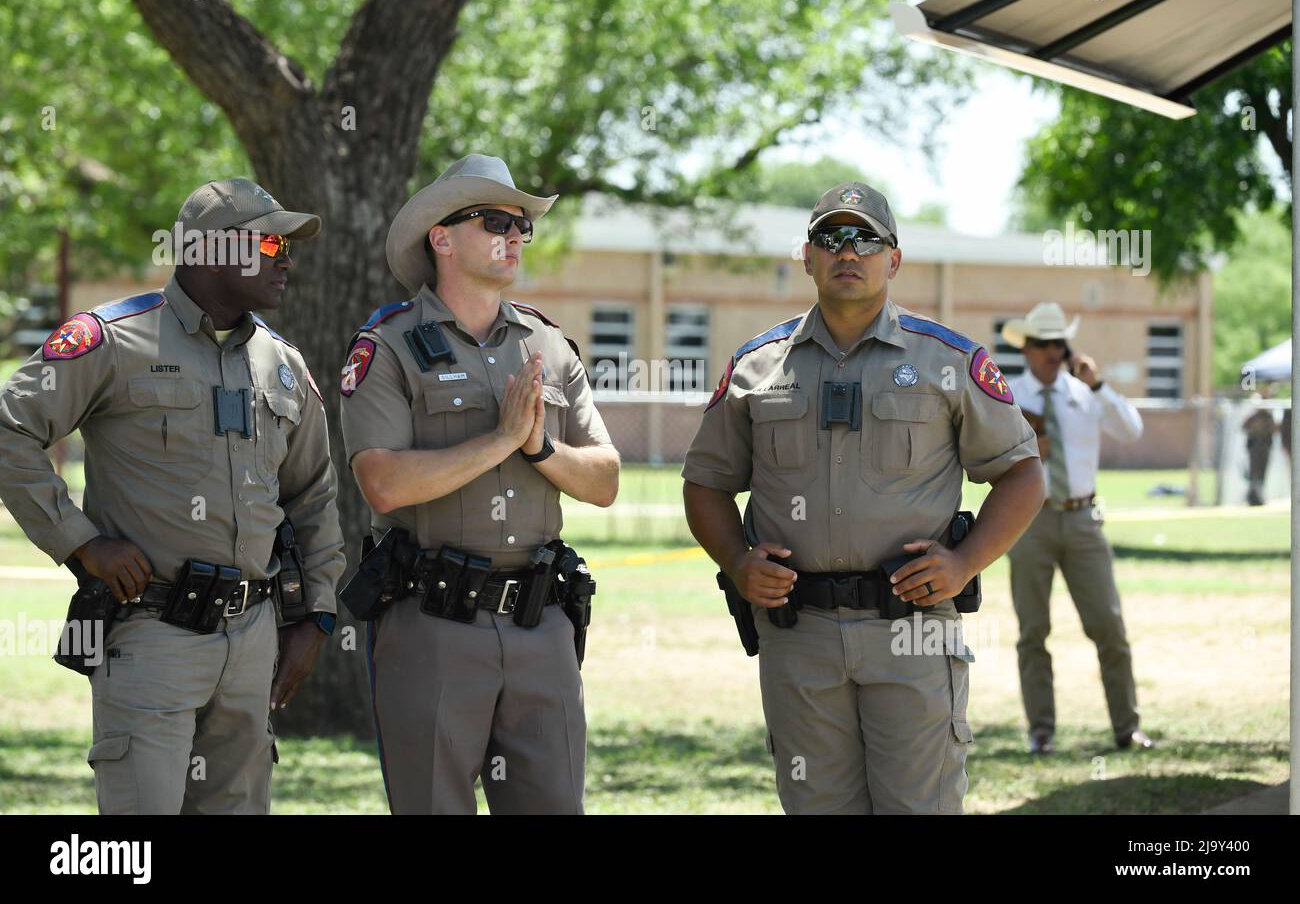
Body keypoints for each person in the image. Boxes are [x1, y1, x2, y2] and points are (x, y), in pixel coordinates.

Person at [681, 180, 1043, 814]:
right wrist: (738, 564)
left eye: (866, 239)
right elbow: (705, 483)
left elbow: (1022, 472)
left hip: (912, 632)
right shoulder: (757, 367)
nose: (848, 251)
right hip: (799, 634)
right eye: (830, 237)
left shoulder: (947, 361)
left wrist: (964, 564)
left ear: (893, 259)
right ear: (808, 256)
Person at [0, 178, 345, 813]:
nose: (286, 257)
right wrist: (82, 543)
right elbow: (10, 428)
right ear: (211, 250)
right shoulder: (113, 340)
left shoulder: (284, 365)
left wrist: (316, 616)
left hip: (254, 643)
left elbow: (314, 498)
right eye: (270, 240)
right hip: (151, 635)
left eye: (288, 244)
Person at [340, 154, 620, 815]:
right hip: (433, 625)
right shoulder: (389, 345)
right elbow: (381, 482)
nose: (517, 234)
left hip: (541, 623)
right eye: (497, 220)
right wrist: (497, 441)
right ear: (441, 235)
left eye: (523, 223)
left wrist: (540, 446)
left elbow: (604, 480)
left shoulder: (548, 345)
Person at [1001, 302, 1150, 754]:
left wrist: (1099, 384)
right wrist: (1024, 451)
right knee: (1032, 631)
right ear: (1025, 349)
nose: (1051, 351)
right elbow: (981, 459)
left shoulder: (1085, 393)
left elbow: (1132, 430)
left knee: (1108, 625)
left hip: (1084, 518)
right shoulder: (1006, 396)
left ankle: (1127, 728)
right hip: (1028, 520)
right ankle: (1041, 732)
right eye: (1042, 344)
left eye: (1058, 343)